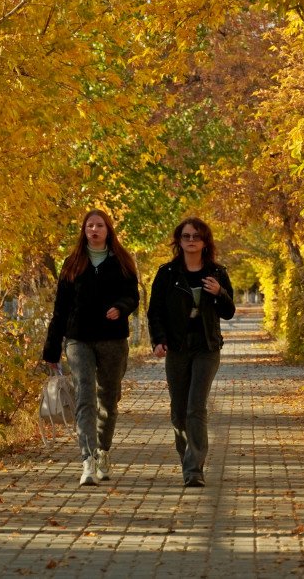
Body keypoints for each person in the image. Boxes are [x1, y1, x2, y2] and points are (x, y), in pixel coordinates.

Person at [42, 209, 139, 486]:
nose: (94, 230)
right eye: (89, 226)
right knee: (85, 396)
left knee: (109, 398)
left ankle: (103, 453)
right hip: (78, 339)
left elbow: (133, 295)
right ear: (84, 231)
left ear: (108, 230)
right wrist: (51, 348)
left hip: (113, 339)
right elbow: (60, 308)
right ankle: (87, 461)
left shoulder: (121, 260)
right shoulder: (72, 263)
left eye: (99, 226)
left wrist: (121, 308)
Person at [147, 217, 235, 487]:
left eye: (196, 236)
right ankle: (187, 456)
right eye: (186, 236)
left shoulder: (217, 274)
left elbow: (228, 312)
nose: (191, 240)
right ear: (179, 241)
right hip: (177, 347)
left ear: (205, 241)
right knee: (179, 410)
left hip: (206, 347)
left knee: (196, 406)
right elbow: (155, 312)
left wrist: (220, 293)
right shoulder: (167, 274)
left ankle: (194, 469)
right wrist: (158, 340)